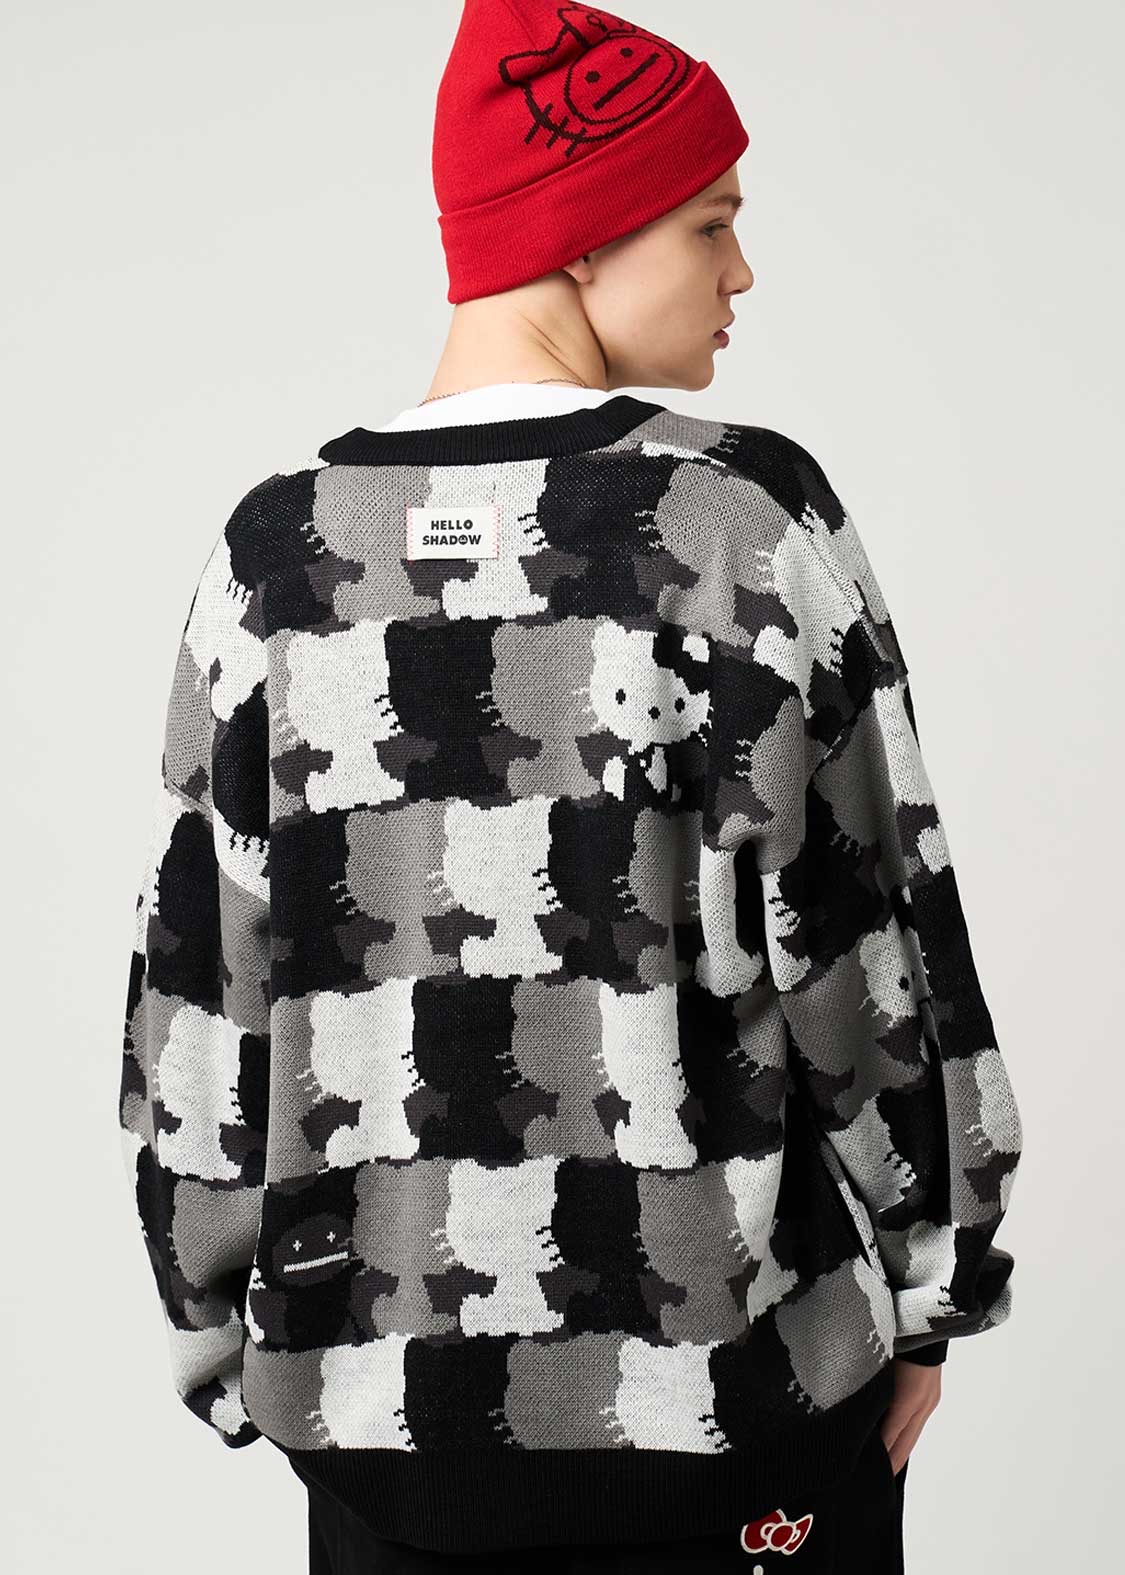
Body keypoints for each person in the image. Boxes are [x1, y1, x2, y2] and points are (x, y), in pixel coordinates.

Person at [116, 3, 1022, 1572]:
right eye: (710, 224)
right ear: (583, 236)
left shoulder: (274, 558)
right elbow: (874, 940)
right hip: (738, 1407)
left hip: (385, 1430)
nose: (741, 273)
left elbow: (203, 985)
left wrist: (214, 1319)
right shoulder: (737, 523)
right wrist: (936, 1283)